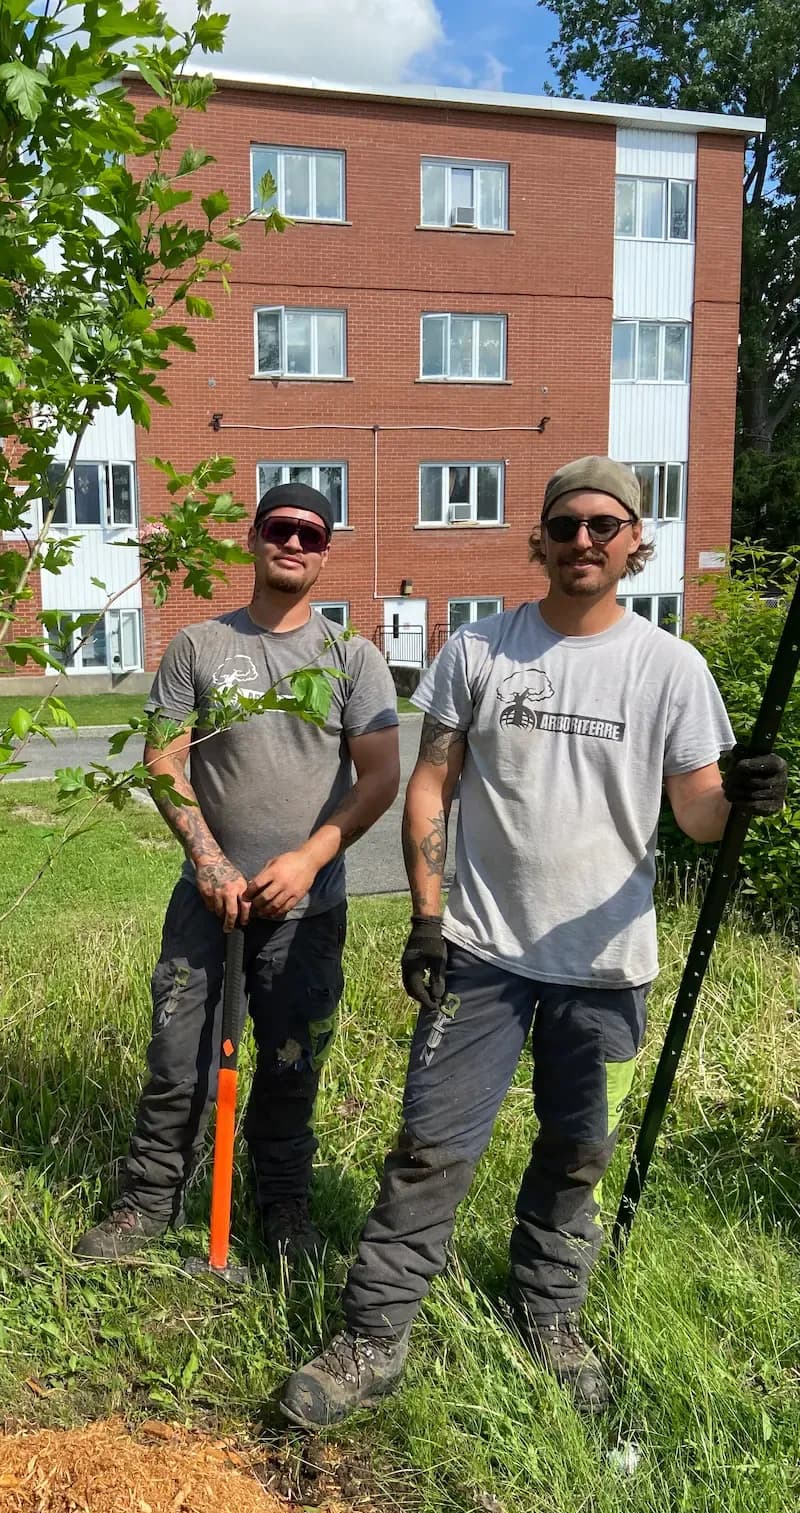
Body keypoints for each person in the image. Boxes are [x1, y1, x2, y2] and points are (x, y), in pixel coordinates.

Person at [281, 456, 789, 1426]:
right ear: (539, 541)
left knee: (576, 1151)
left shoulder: (670, 668)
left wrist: (745, 797)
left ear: (636, 542)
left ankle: (548, 1310)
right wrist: (428, 917)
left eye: (606, 524)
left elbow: (698, 816)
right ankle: (374, 1334)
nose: (585, 540)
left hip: (606, 969)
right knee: (430, 1144)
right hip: (479, 952)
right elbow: (431, 782)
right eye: (567, 525)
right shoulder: (481, 651)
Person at [75, 483, 402, 1266]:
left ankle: (282, 1206)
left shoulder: (353, 659)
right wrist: (209, 860)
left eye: (312, 536)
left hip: (307, 912)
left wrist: (310, 858)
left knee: (292, 1066)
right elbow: (163, 759)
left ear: (326, 554)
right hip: (206, 906)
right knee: (177, 1060)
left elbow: (381, 778)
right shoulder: (199, 646)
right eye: (281, 529)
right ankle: (150, 1201)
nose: (294, 544)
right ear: (253, 539)